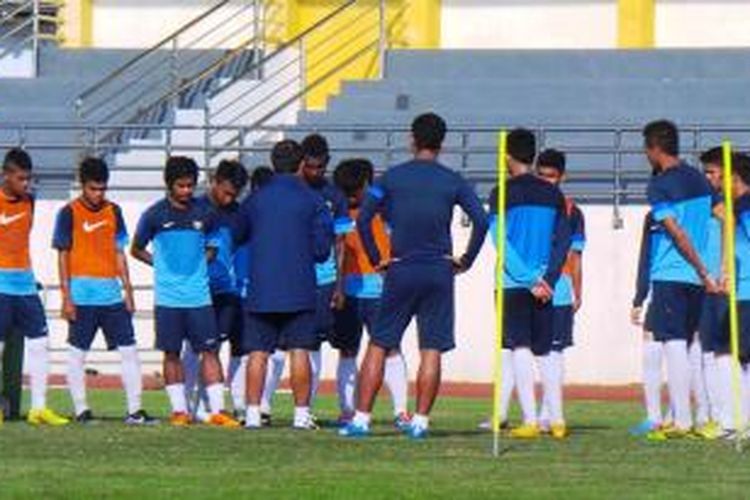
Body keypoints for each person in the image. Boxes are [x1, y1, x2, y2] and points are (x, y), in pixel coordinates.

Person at [339, 113, 488, 439]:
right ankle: (420, 421)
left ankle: (362, 419)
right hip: (438, 269)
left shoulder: (392, 178)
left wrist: (378, 259)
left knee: (379, 343)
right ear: (442, 143)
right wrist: (466, 260)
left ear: (412, 139)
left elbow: (364, 220)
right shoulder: (452, 180)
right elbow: (482, 219)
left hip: (401, 267)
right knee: (431, 348)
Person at [131, 156, 240, 428]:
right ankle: (179, 410)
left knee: (210, 351)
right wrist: (161, 265)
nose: (187, 191)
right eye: (181, 186)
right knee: (171, 352)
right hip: (168, 298)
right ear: (169, 185)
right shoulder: (154, 215)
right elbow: (136, 248)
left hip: (199, 297)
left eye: (190, 186)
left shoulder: (205, 213)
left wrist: (201, 262)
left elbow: (214, 243)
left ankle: (218, 411)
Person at [53, 157, 155, 425]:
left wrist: (129, 291)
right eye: (93, 189)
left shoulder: (114, 211)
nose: (98, 195)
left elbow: (119, 252)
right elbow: (63, 256)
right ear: (82, 185)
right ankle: (81, 410)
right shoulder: (68, 213)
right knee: (77, 353)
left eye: (102, 189)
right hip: (81, 297)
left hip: (111, 296)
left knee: (129, 350)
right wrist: (67, 297)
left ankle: (135, 411)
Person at [240, 140, 333, 430]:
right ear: (301, 163)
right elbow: (321, 250)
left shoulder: (255, 199)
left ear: (272, 161)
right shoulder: (313, 200)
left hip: (262, 286)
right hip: (299, 286)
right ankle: (301, 415)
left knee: (257, 352)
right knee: (300, 350)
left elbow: (239, 235)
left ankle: (253, 414)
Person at [490, 130, 571, 440]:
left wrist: (527, 279)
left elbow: (500, 241)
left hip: (513, 282)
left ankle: (531, 419)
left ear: (507, 155)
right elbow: (562, 241)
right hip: (544, 283)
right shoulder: (553, 194)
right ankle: (558, 420)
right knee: (545, 350)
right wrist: (547, 279)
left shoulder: (501, 192)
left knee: (519, 347)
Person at [640, 120, 716, 440]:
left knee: (673, 343)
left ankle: (682, 420)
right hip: (697, 279)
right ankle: (700, 416)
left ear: (655, 149)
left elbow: (677, 233)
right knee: (692, 346)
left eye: (646, 149)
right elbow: (721, 220)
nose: (645, 155)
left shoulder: (659, 186)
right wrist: (709, 271)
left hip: (673, 274)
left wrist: (700, 268)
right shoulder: (701, 180)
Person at [331, 158, 410, 429]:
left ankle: (400, 411)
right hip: (349, 293)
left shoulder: (386, 208)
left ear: (368, 182)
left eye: (355, 190)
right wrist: (338, 287)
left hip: (381, 290)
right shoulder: (340, 211)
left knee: (390, 349)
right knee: (347, 351)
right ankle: (347, 410)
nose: (351, 196)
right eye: (346, 191)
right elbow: (337, 251)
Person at [0, 149, 69, 426]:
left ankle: (38, 407)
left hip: (26, 285)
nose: (26, 184)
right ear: (6, 175)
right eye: (21, 178)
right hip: (1, 285)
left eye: (28, 179)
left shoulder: (30, 201)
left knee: (41, 343)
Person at [181, 159, 249, 422]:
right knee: (192, 347)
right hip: (195, 289)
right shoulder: (194, 209)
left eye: (235, 194)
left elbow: (239, 250)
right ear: (214, 182)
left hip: (225, 291)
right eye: (226, 191)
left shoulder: (239, 215)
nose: (228, 198)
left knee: (215, 347)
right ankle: (186, 405)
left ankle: (218, 406)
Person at [299, 134, 353, 411]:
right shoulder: (292, 192)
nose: (315, 172)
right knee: (283, 345)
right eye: (310, 166)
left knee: (314, 342)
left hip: (324, 279)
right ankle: (262, 408)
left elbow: (341, 242)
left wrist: (339, 286)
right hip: (293, 279)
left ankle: (307, 406)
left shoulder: (334, 196)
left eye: (320, 167)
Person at [535, 148, 585, 438]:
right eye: (541, 176)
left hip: (561, 289)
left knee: (553, 352)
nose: (546, 181)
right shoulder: (531, 205)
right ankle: (534, 415)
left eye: (551, 177)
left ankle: (551, 415)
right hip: (531, 286)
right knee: (528, 351)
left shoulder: (571, 210)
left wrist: (579, 291)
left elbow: (576, 256)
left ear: (562, 177)